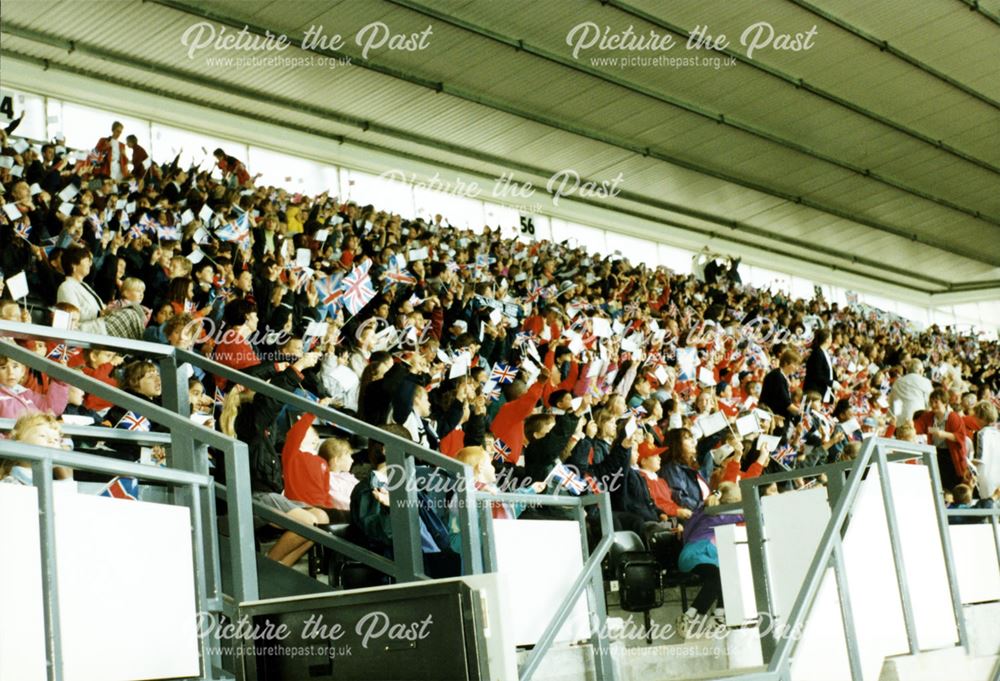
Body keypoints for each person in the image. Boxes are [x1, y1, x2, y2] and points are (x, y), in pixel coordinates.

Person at [675, 481, 743, 639]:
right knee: (719, 577)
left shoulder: (704, 510)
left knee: (727, 574)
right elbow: (751, 513)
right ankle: (690, 617)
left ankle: (717, 615)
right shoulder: (720, 515)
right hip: (696, 555)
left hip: (701, 554)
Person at [914, 388, 969, 488]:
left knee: (951, 485)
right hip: (935, 454)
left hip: (951, 456)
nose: (933, 405)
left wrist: (944, 434)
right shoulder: (929, 416)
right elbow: (917, 427)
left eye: (936, 402)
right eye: (931, 402)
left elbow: (961, 437)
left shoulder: (953, 417)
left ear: (944, 403)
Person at [803, 328, 836, 400]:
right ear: (827, 339)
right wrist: (831, 383)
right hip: (813, 391)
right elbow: (816, 374)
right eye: (831, 337)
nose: (832, 340)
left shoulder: (824, 352)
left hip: (820, 391)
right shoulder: (818, 353)